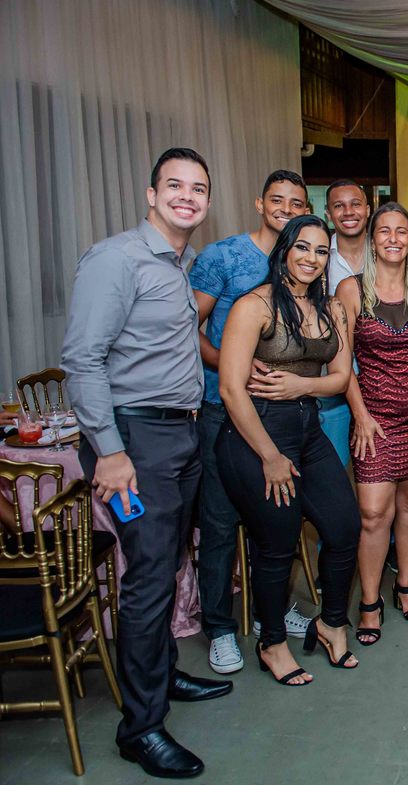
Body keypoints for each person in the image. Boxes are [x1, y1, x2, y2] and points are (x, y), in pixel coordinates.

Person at [61, 147, 231, 779]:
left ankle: (162, 677)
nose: (188, 196)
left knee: (169, 561)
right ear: (151, 195)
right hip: (136, 438)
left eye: (198, 188)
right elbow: (82, 360)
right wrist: (110, 451)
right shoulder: (117, 258)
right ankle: (140, 729)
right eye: (175, 185)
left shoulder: (178, 264)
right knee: (150, 578)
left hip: (178, 434)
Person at [215, 215, 361, 685]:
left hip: (308, 428)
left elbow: (341, 377)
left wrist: (302, 385)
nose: (311, 258)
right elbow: (231, 389)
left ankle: (332, 623)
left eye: (320, 251)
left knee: (344, 528)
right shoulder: (253, 306)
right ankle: (272, 642)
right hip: (255, 434)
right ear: (284, 250)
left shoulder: (333, 309)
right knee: (276, 541)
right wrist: (271, 457)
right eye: (302, 247)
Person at [189, 168, 309, 676]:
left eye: (296, 203)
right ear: (260, 204)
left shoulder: (303, 261)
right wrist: (231, 363)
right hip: (223, 410)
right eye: (277, 200)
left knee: (273, 521)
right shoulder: (222, 257)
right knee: (219, 524)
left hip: (278, 415)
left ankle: (269, 614)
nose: (286, 209)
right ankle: (219, 627)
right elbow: (188, 328)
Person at [336, 202, 408, 643]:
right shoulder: (350, 290)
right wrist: (360, 415)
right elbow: (341, 364)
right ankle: (370, 600)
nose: (392, 238)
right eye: (384, 231)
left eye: (401, 231)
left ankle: (406, 586)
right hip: (375, 422)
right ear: (372, 240)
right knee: (372, 514)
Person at [322, 178, 374, 467]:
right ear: (328, 213)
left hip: (381, 382)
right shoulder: (317, 256)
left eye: (355, 204)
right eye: (339, 206)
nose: (349, 212)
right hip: (332, 385)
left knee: (377, 470)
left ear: (368, 209)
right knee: (335, 469)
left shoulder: (387, 253)